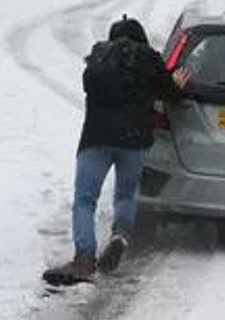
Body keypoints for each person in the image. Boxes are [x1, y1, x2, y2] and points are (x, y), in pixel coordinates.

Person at [43, 16, 183, 286]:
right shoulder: (150, 59)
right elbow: (171, 95)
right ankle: (120, 235)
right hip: (134, 141)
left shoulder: (98, 58)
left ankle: (84, 259)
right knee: (125, 194)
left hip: (96, 138)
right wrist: (175, 83)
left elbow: (89, 88)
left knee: (85, 200)